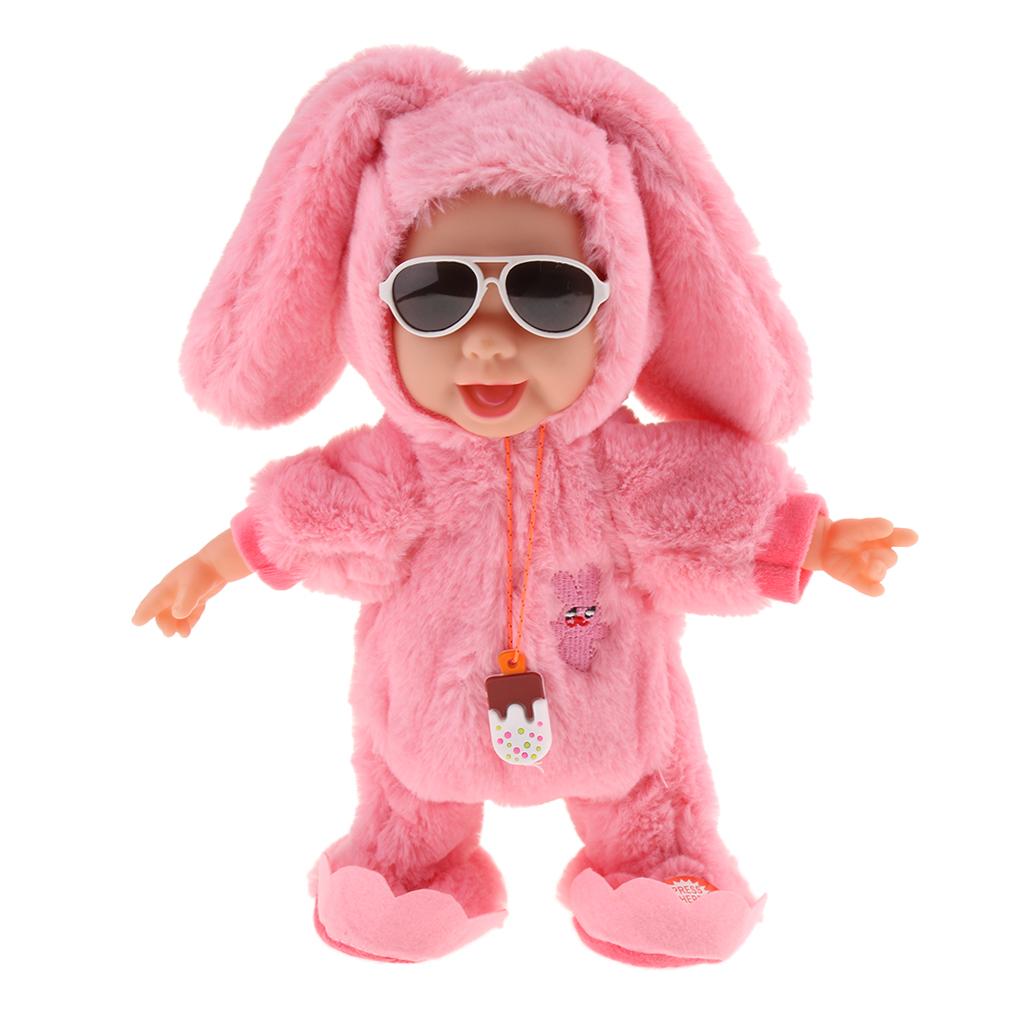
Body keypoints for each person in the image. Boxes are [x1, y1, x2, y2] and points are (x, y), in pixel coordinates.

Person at [132, 47, 916, 966]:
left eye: (548, 293)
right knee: (407, 789)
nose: (491, 342)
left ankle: (669, 870)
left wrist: (817, 539)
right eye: (437, 295)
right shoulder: (399, 468)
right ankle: (405, 870)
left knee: (652, 787)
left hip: (612, 714)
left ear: (621, 305)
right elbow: (313, 513)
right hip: (428, 727)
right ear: (372, 309)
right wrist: (212, 566)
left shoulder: (621, 467)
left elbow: (708, 505)